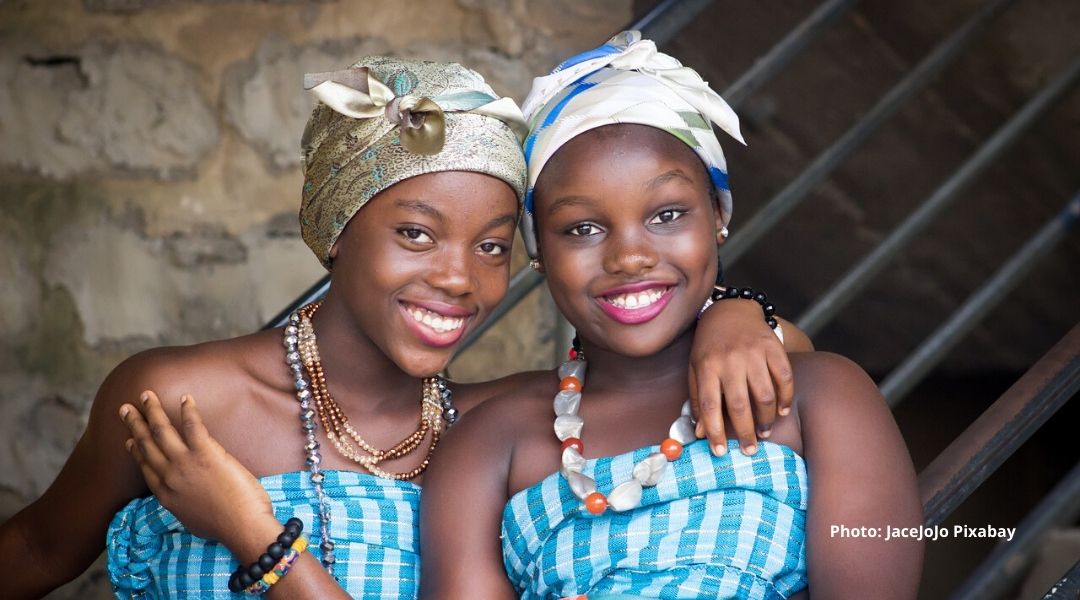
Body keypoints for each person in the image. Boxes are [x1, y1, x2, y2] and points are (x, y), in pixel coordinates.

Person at [1, 54, 810, 599]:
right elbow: (36, 551)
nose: (459, 277)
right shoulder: (179, 403)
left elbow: (784, 364)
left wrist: (737, 313)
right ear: (335, 229)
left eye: (493, 246)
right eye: (415, 233)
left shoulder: (509, 428)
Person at [419, 32, 923, 599]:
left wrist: (737, 310)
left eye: (666, 214)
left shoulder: (820, 397)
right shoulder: (492, 441)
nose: (630, 256)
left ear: (717, 216)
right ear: (539, 251)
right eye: (582, 228)